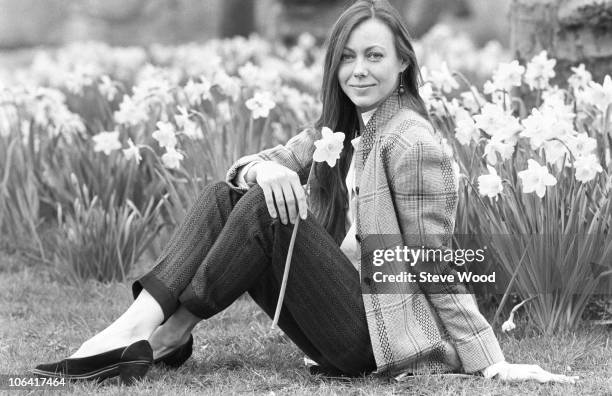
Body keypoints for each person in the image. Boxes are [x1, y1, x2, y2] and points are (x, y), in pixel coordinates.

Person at [34, 0, 578, 385]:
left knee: (271, 213)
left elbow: (432, 256)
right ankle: (139, 328)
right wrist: (262, 171)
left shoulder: (411, 141)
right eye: (347, 56)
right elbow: (244, 170)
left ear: (404, 62)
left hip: (373, 339)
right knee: (236, 193)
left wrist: (488, 360)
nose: (357, 70)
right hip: (336, 324)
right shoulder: (341, 128)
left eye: (374, 56)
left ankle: (166, 331)